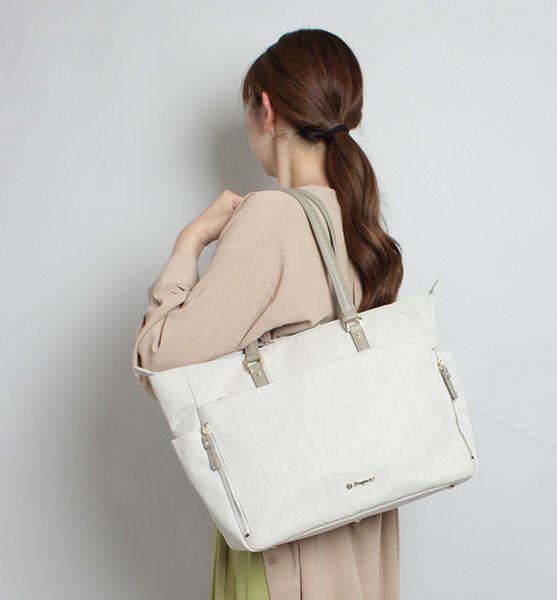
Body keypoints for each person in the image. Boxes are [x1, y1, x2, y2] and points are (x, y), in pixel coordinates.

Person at [132, 27, 404, 600]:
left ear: (266, 108)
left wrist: (189, 243)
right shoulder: (358, 223)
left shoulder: (273, 219)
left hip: (287, 547)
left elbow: (159, 361)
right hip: (356, 534)